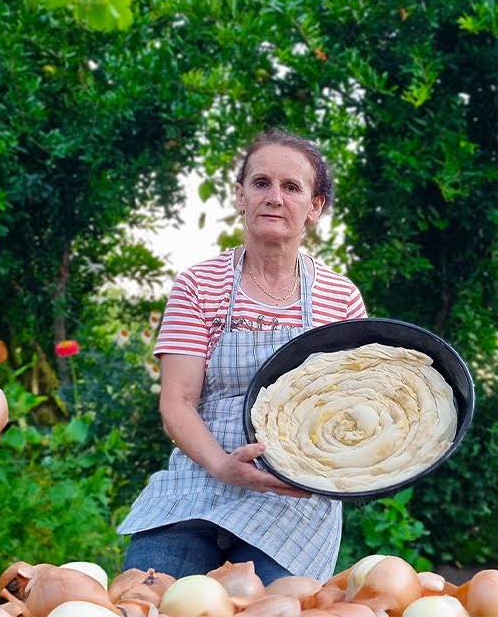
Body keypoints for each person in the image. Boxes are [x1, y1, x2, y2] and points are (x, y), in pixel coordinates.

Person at [117, 128, 367, 584]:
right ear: (240, 195)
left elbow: (351, 406)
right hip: (199, 481)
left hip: (293, 497)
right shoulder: (199, 284)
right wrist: (221, 465)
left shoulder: (341, 297)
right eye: (261, 183)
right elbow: (177, 401)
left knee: (271, 608)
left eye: (291, 187)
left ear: (315, 207)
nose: (274, 197)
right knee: (148, 597)